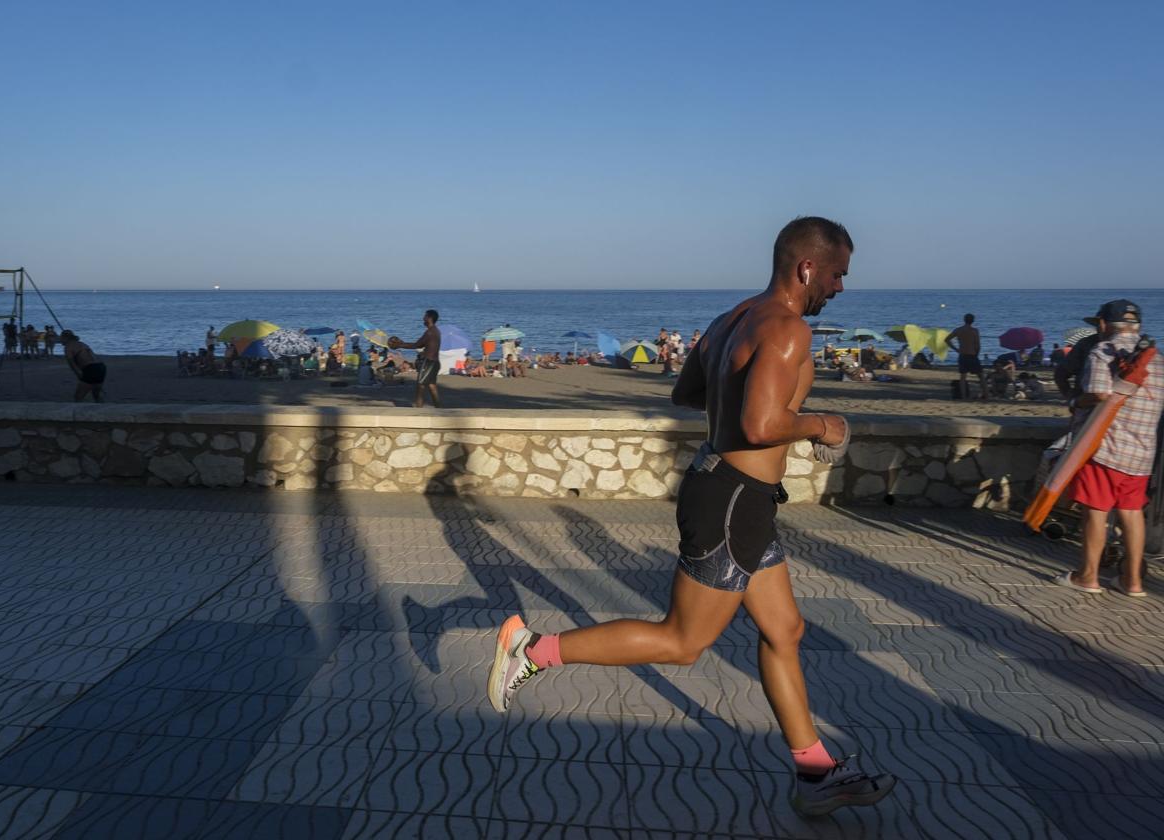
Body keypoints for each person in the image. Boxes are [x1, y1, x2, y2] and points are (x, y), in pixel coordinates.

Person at [486, 216, 894, 815]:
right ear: (807, 267)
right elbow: (760, 426)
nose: (838, 288)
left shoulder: (734, 319)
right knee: (681, 642)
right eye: (836, 275)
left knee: (785, 631)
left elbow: (686, 394)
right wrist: (821, 424)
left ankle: (815, 774)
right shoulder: (787, 331)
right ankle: (533, 649)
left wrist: (742, 405)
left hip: (738, 498)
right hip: (732, 504)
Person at [1056, 299, 1164, 597]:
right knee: (1131, 513)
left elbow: (1098, 394)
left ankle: (1087, 577)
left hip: (1106, 447)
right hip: (1142, 452)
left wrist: (1074, 402)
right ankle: (1133, 582)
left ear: (1103, 325)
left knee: (1096, 511)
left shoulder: (1103, 350)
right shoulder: (1158, 359)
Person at [389, 309, 443, 408]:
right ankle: (439, 409)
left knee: (420, 386)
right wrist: (402, 344)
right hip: (435, 362)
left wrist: (400, 345)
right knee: (432, 386)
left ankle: (418, 411)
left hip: (429, 363)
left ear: (429, 318)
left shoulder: (430, 332)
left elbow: (417, 345)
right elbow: (422, 345)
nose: (423, 318)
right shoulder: (436, 331)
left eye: (425, 316)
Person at [946, 313, 987, 399]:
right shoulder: (974, 331)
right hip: (972, 355)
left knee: (963, 377)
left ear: (964, 320)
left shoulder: (959, 330)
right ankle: (986, 394)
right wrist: (977, 354)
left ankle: (964, 396)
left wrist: (956, 349)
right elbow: (978, 345)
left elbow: (947, 340)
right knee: (981, 376)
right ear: (973, 321)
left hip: (963, 355)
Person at [60, 330, 106, 402]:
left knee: (78, 397)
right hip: (101, 366)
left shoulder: (68, 347)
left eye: (61, 338)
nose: (60, 340)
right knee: (96, 395)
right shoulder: (82, 344)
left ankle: (77, 412)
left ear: (65, 338)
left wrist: (78, 374)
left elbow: (71, 363)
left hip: (91, 368)